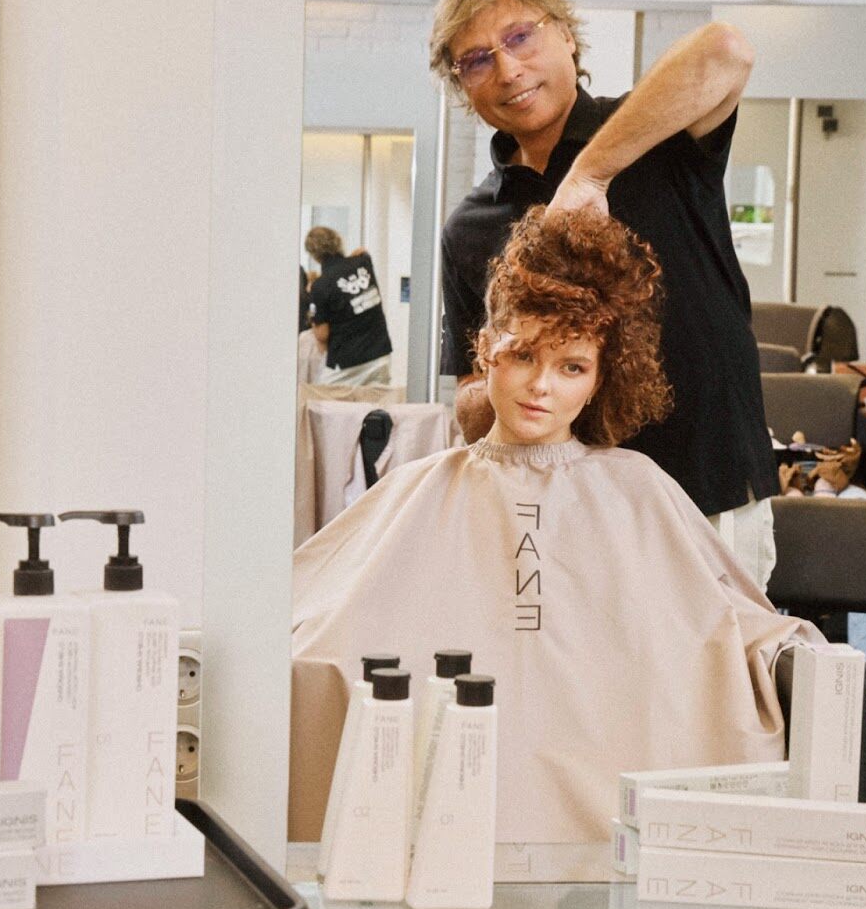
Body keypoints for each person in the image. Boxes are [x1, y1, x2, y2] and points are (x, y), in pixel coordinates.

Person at [289, 208, 821, 845]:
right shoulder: (419, 486)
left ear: (600, 379)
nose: (542, 386)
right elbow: (311, 629)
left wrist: (799, 656)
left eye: (572, 367)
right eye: (523, 355)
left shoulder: (639, 487)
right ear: (487, 350)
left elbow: (732, 622)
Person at [429, 0, 779, 589]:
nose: (507, 70)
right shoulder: (468, 228)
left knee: (716, 656)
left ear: (566, 36)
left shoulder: (658, 135)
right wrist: (512, 370)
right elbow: (470, 399)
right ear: (463, 87)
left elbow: (727, 50)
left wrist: (589, 176)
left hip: (705, 492)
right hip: (561, 516)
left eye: (520, 37)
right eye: (476, 60)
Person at [304, 225, 393, 385]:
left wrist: (313, 318)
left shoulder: (320, 286)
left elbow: (322, 335)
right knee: (377, 400)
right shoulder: (364, 262)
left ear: (314, 255)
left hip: (347, 362)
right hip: (380, 353)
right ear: (338, 242)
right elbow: (359, 252)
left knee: (322, 397)